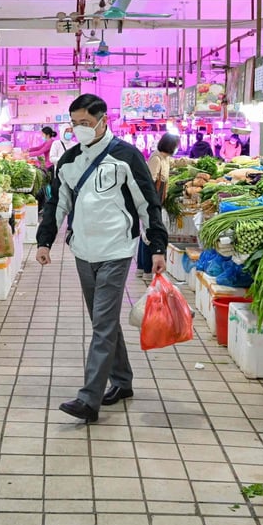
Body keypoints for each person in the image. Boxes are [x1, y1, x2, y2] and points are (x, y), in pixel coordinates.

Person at [36, 94, 168, 423]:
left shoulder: (126, 156)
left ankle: (89, 399)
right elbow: (56, 204)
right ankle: (122, 382)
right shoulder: (68, 161)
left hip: (117, 250)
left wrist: (157, 247)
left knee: (103, 324)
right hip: (83, 250)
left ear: (102, 119)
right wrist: (44, 242)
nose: (79, 129)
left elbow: (147, 204)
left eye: (85, 123)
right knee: (103, 322)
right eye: (74, 124)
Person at [137, 134, 179, 277]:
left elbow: (175, 164)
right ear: (171, 146)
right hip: (151, 201)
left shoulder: (165, 158)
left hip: (157, 201)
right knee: (150, 234)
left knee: (148, 233)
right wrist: (150, 202)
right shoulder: (156, 159)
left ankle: (142, 268)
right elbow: (149, 181)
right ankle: (147, 269)